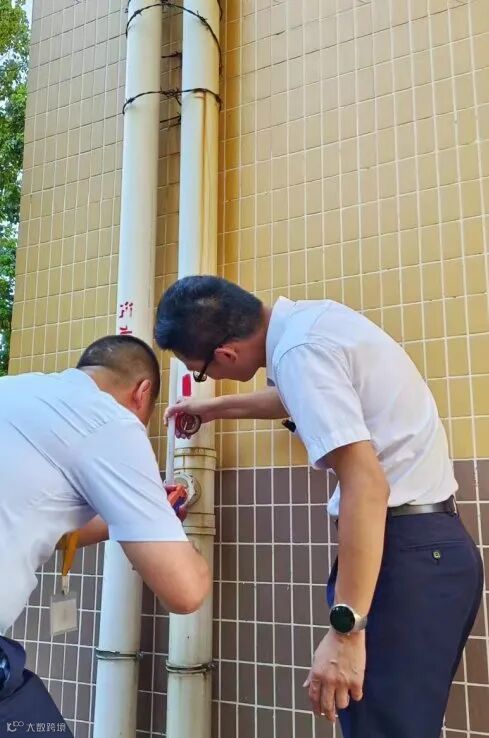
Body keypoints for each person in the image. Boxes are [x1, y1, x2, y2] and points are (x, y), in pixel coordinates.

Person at [155, 275, 483, 738]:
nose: (213, 378)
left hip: (405, 557)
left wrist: (347, 631)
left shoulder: (299, 352)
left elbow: (366, 484)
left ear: (226, 354)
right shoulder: (313, 323)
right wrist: (214, 408)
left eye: (204, 372)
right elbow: (297, 396)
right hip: (433, 549)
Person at [0, 335, 210, 736]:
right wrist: (175, 542)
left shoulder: (15, 392)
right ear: (142, 393)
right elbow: (184, 591)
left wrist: (140, 518)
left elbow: (46, 524)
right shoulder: (111, 420)